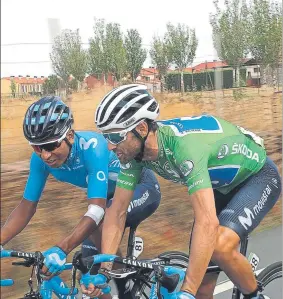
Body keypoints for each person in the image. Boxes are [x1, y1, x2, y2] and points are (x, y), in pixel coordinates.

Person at [80, 84, 281, 299]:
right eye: (106, 137)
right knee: (203, 292)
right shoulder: (133, 154)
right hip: (220, 188)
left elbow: (207, 222)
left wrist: (187, 291)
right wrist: (104, 271)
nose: (110, 146)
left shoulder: (184, 149)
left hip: (257, 177)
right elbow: (117, 212)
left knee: (220, 246)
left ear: (141, 129)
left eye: (116, 137)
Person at [0, 95, 161, 299]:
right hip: (108, 196)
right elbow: (26, 207)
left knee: (101, 220)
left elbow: (96, 210)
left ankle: (125, 284)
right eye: (37, 147)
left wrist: (61, 249)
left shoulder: (92, 147)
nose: (45, 155)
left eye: (50, 145)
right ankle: (117, 268)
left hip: (142, 187)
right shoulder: (40, 160)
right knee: (88, 277)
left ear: (69, 135)